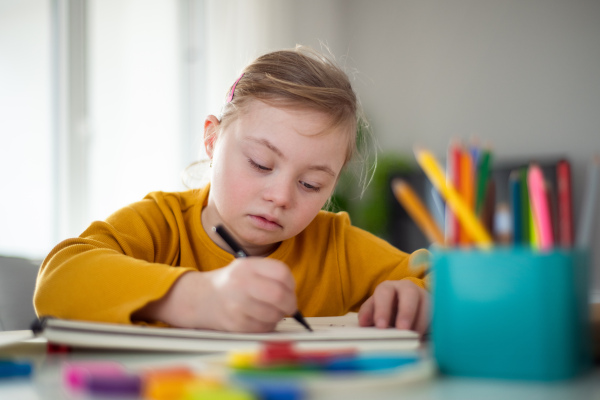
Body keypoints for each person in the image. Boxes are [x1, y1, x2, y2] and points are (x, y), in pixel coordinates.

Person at [34, 46, 430, 334]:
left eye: (311, 184)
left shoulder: (335, 247)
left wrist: (418, 297)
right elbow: (58, 280)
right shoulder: (161, 225)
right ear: (211, 140)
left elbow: (438, 279)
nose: (280, 196)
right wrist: (195, 298)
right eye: (260, 163)